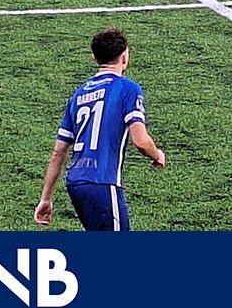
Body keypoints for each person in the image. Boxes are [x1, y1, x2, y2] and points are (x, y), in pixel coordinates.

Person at [35, 28, 166, 231]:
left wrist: (46, 198)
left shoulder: (78, 96)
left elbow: (58, 152)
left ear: (94, 58)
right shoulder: (128, 89)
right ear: (124, 57)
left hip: (76, 183)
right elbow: (140, 141)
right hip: (102, 181)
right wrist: (157, 155)